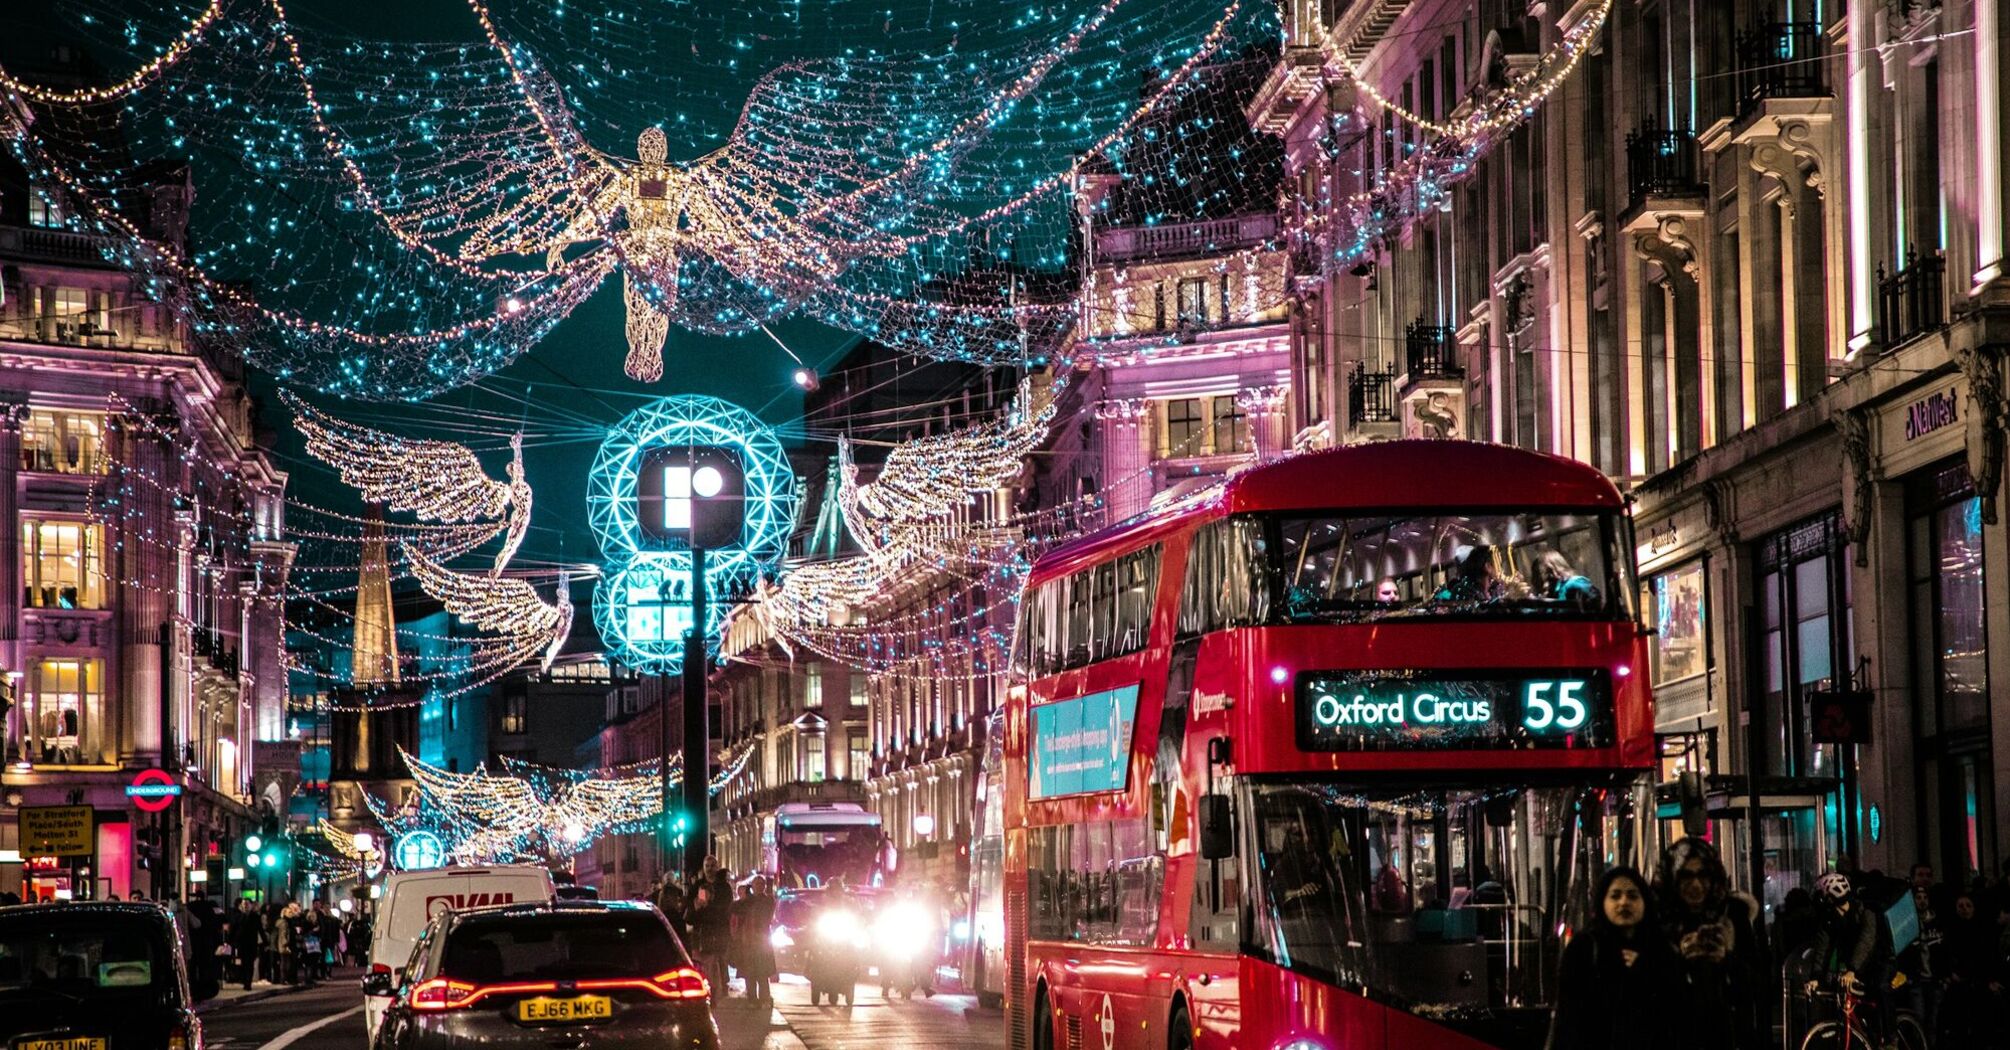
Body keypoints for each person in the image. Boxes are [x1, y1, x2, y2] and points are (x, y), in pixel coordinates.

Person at [1549, 866, 1687, 1050]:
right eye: (1615, 896)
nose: (1624, 903)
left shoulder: (1660, 949)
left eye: (1632, 896)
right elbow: (1569, 1017)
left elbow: (1675, 1012)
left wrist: (1645, 971)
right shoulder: (1584, 948)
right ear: (1602, 901)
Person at [1655, 837, 1766, 1050]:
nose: (1695, 885)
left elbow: (1759, 984)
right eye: (1686, 876)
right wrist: (1679, 960)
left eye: (1703, 875)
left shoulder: (1732, 915)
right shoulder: (1658, 920)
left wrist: (1726, 958)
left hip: (1729, 1037)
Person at [1804, 872, 1892, 1040]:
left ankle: (1890, 1038)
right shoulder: (1830, 918)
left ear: (1830, 897)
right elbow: (1823, 948)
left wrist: (1852, 970)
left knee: (1880, 989)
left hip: (1881, 960)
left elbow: (1866, 942)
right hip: (1857, 965)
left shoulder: (1865, 911)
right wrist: (1815, 976)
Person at [735, 877, 779, 1003]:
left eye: (761, 884)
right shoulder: (747, 901)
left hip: (761, 941)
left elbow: (766, 915)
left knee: (762, 972)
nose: (759, 886)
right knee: (750, 973)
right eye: (756, 884)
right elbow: (736, 911)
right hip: (748, 941)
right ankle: (752, 999)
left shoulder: (768, 900)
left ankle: (764, 998)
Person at [1534, 550, 1601, 608]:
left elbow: (1594, 598)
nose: (1545, 585)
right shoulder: (1554, 591)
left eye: (1545, 574)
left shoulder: (1574, 584)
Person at [228, 898, 264, 990]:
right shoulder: (237, 916)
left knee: (250, 963)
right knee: (243, 963)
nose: (245, 906)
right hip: (241, 943)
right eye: (243, 904)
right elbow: (233, 928)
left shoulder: (255, 916)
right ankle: (244, 980)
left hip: (251, 943)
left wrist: (265, 941)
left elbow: (260, 929)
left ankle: (248, 983)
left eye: (247, 904)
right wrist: (230, 941)